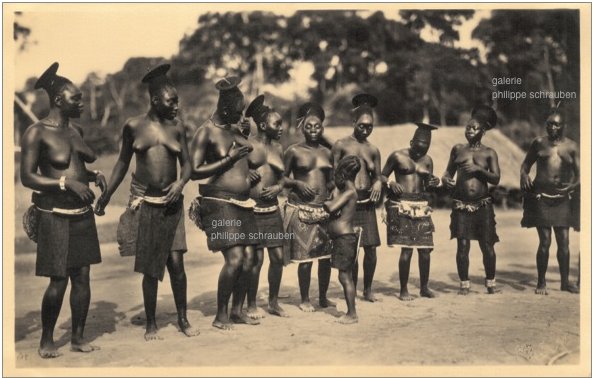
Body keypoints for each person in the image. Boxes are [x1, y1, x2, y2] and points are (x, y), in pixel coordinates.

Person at [95, 64, 198, 340]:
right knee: (151, 268)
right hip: (146, 204)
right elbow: (120, 164)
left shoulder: (178, 129)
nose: (177, 106)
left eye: (177, 100)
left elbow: (187, 165)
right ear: (155, 101)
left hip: (172, 204)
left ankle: (183, 319)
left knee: (177, 265)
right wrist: (105, 197)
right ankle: (151, 323)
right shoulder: (133, 127)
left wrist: (180, 183)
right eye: (171, 101)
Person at [21, 62, 104, 357]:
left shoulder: (75, 130)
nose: (81, 103)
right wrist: (64, 183)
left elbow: (77, 164)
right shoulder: (36, 133)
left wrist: (94, 177)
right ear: (58, 101)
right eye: (76, 99)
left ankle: (78, 338)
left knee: (82, 275)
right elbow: (28, 176)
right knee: (59, 279)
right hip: (53, 214)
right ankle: (46, 340)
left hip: (81, 213)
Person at [189, 76, 261, 330]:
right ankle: (220, 315)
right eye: (239, 110)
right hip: (219, 201)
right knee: (235, 258)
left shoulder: (234, 131)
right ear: (226, 107)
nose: (242, 115)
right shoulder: (205, 132)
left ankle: (237, 310)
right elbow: (194, 170)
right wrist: (230, 160)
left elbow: (247, 159)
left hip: (243, 201)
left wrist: (247, 172)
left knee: (251, 258)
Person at [442, 105, 501, 295]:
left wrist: (479, 170)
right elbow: (448, 172)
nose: (469, 131)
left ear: (483, 131)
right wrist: (446, 180)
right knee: (463, 246)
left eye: (474, 128)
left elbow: (496, 178)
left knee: (487, 245)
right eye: (467, 127)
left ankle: (490, 283)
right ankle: (464, 284)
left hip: (483, 204)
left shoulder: (489, 153)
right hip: (460, 204)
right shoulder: (458, 150)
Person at [520, 107, 580, 295]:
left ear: (563, 126)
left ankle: (564, 282)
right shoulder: (538, 143)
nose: (552, 127)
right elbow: (525, 165)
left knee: (564, 242)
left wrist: (571, 186)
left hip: (562, 199)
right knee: (544, 241)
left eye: (556, 124)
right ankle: (541, 282)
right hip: (541, 198)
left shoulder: (572, 146)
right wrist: (524, 175)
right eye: (549, 124)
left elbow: (581, 175)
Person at [283, 102, 335, 312]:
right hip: (302, 210)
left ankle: (322, 297)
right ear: (302, 128)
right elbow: (282, 178)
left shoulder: (328, 153)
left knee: (325, 258)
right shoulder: (293, 151)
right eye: (309, 127)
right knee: (306, 259)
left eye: (317, 127)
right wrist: (298, 183)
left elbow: (331, 180)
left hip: (324, 210)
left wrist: (328, 192)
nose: (313, 130)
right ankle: (305, 298)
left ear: (322, 128)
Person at [331, 94, 383, 302]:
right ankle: (350, 288)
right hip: (348, 203)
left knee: (371, 249)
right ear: (353, 123)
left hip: (367, 203)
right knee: (351, 249)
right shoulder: (341, 145)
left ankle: (367, 289)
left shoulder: (373, 150)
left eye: (369, 127)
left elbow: (378, 176)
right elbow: (334, 175)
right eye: (362, 125)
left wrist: (379, 182)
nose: (365, 129)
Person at [242, 95, 289, 318]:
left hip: (273, 210)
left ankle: (273, 302)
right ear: (262, 125)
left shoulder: (279, 149)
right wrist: (245, 172)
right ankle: (251, 304)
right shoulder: (248, 145)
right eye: (276, 124)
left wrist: (279, 189)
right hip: (252, 210)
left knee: (278, 258)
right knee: (256, 260)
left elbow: (283, 179)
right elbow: (232, 170)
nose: (281, 127)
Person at [382, 123, 440, 300]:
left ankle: (424, 287)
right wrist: (391, 183)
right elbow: (381, 175)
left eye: (425, 147)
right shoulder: (397, 156)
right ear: (411, 141)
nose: (421, 151)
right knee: (406, 250)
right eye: (418, 146)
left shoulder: (428, 160)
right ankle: (403, 290)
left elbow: (428, 183)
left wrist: (434, 182)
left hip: (421, 204)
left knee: (425, 249)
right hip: (402, 203)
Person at [323, 155, 362, 324]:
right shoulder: (349, 192)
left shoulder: (349, 192)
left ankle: (352, 314)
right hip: (343, 238)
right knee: (345, 276)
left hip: (345, 238)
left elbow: (331, 207)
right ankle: (351, 312)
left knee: (345, 277)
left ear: (343, 175)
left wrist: (326, 197)